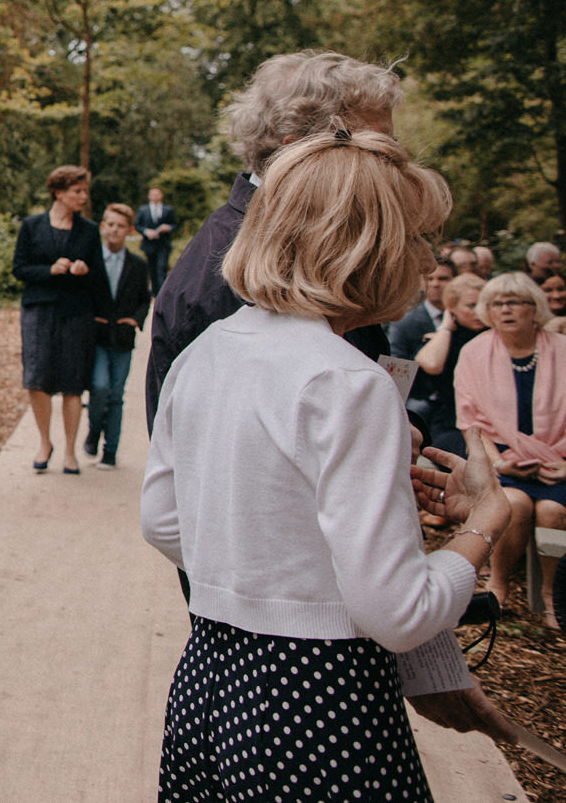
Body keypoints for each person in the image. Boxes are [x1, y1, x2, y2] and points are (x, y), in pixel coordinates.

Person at [144, 128, 511, 801]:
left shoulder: (209, 350)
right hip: (318, 700)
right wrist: (487, 518)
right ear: (364, 248)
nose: (427, 257)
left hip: (209, 680)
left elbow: (164, 522)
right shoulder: (348, 381)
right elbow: (397, 611)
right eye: (414, 236)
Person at [145, 51, 405, 431]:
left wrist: (402, 431)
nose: (394, 161)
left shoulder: (323, 241)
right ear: (295, 150)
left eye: (391, 143)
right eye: (372, 147)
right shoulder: (234, 269)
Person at [454, 273, 566, 627]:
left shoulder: (562, 349)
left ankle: (551, 596)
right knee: (515, 505)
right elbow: (470, 421)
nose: (505, 310)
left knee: (551, 512)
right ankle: (498, 584)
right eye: (497, 303)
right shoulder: (473, 352)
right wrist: (500, 462)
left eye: (515, 302)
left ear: (535, 309)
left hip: (559, 460)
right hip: (501, 458)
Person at [13, 165, 99, 474]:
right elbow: (19, 269)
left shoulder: (89, 230)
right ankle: (44, 441)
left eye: (84, 191)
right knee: (37, 379)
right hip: (38, 310)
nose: (83, 196)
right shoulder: (31, 226)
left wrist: (84, 270)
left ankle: (70, 452)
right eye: (77, 191)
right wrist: (49, 270)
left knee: (73, 382)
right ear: (58, 192)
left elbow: (99, 275)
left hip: (76, 312)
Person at [84, 203, 148, 470]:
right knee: (99, 387)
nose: (114, 230)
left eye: (120, 226)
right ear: (102, 226)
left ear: (129, 231)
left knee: (116, 395)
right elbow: (81, 295)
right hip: (97, 337)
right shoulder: (90, 260)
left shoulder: (138, 264)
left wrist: (135, 319)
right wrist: (89, 318)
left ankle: (110, 451)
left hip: (122, 338)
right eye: (110, 224)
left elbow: (145, 300)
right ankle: (94, 429)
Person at [412, 272, 488, 458]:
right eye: (471, 305)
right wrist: (446, 327)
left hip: (492, 426)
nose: (479, 311)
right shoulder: (444, 340)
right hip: (451, 425)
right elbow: (432, 364)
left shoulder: (496, 337)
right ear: (452, 307)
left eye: (483, 305)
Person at [136, 186, 176, 298]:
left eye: (157, 194)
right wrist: (146, 231)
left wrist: (167, 227)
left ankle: (163, 294)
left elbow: (174, 225)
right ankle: (154, 294)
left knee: (161, 268)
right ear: (149, 196)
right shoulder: (143, 210)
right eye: (152, 194)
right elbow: (137, 225)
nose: (155, 196)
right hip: (149, 244)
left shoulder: (168, 209)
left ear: (161, 195)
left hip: (163, 244)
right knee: (152, 269)